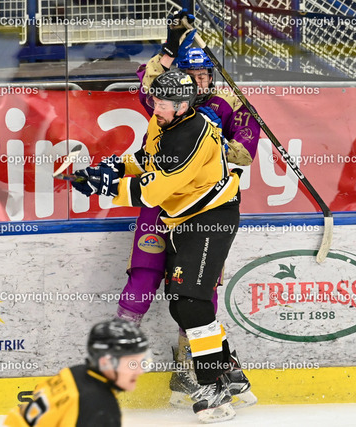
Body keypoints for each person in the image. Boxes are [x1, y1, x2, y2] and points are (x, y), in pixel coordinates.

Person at [71, 69, 244, 423]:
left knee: (192, 303)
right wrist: (114, 167)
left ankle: (213, 385)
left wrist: (105, 186)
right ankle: (229, 371)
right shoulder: (162, 123)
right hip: (183, 219)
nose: (157, 107)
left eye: (164, 103)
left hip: (212, 218)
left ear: (183, 105)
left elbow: (152, 192)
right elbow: (148, 158)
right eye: (156, 100)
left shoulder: (192, 136)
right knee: (181, 304)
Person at [114, 10, 259, 411]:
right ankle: (119, 362)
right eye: (188, 75)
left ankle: (192, 369)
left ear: (212, 76)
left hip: (203, 209)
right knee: (145, 275)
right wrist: (170, 45)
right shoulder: (167, 101)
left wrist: (207, 140)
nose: (196, 82)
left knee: (195, 294)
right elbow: (150, 82)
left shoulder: (231, 103)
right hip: (160, 203)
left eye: (202, 75)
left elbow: (245, 152)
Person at [3, 318, 149, 427]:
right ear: (106, 363)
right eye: (131, 364)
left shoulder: (74, 373)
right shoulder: (100, 407)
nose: (140, 371)